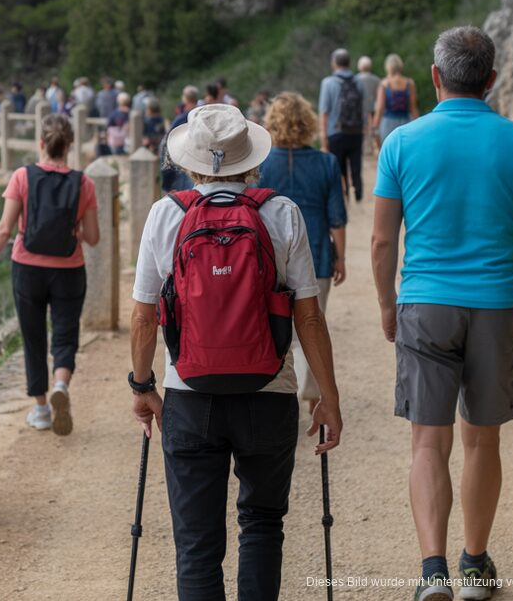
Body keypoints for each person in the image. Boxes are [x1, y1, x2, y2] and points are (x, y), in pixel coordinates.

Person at [371, 26, 513, 601]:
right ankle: (475, 566)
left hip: (425, 305)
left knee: (428, 442)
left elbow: (382, 240)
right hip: (496, 306)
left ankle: (433, 573)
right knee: (482, 442)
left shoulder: (401, 143)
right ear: (492, 80)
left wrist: (388, 304)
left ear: (434, 77)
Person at [130, 103, 344, 600]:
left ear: (190, 161)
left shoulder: (166, 214)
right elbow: (309, 317)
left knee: (197, 544)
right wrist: (328, 396)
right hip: (270, 391)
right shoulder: (282, 212)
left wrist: (142, 386)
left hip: (190, 394)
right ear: (250, 158)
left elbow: (143, 317)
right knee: (263, 525)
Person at [0, 114, 100, 435]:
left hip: (27, 268)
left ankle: (40, 410)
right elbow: (93, 237)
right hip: (69, 270)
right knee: (65, 334)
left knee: (33, 337)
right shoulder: (84, 184)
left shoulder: (22, 176)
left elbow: (3, 230)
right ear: (69, 145)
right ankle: (61, 385)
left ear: (41, 143)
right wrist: (75, 231)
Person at [256, 92, 348, 414]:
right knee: (313, 320)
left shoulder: (261, 164)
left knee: (273, 323)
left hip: (270, 255)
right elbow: (336, 217)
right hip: (317, 249)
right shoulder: (327, 162)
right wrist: (341, 256)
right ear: (307, 123)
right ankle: (312, 393)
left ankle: (279, 389)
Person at [318, 48, 365, 202]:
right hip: (356, 131)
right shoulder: (358, 81)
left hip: (336, 132)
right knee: (356, 164)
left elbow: (324, 112)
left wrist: (323, 138)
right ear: (349, 63)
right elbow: (363, 107)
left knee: (338, 166)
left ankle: (343, 196)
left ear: (334, 63)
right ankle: (358, 193)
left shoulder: (328, 82)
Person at [373, 53, 420, 145]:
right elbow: (413, 108)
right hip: (406, 123)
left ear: (388, 67)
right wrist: (419, 126)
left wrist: (374, 127)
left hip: (388, 124)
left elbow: (379, 109)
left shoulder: (384, 84)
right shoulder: (410, 83)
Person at [162, 86, 198, 193]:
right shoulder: (201, 113)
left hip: (182, 159)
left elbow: (168, 138)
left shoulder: (182, 117)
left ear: (185, 99)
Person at [354, 56, 381, 153]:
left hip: (359, 108)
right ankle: (375, 148)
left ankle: (364, 149)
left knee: (362, 130)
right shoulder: (376, 80)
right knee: (374, 129)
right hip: (373, 108)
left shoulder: (355, 79)